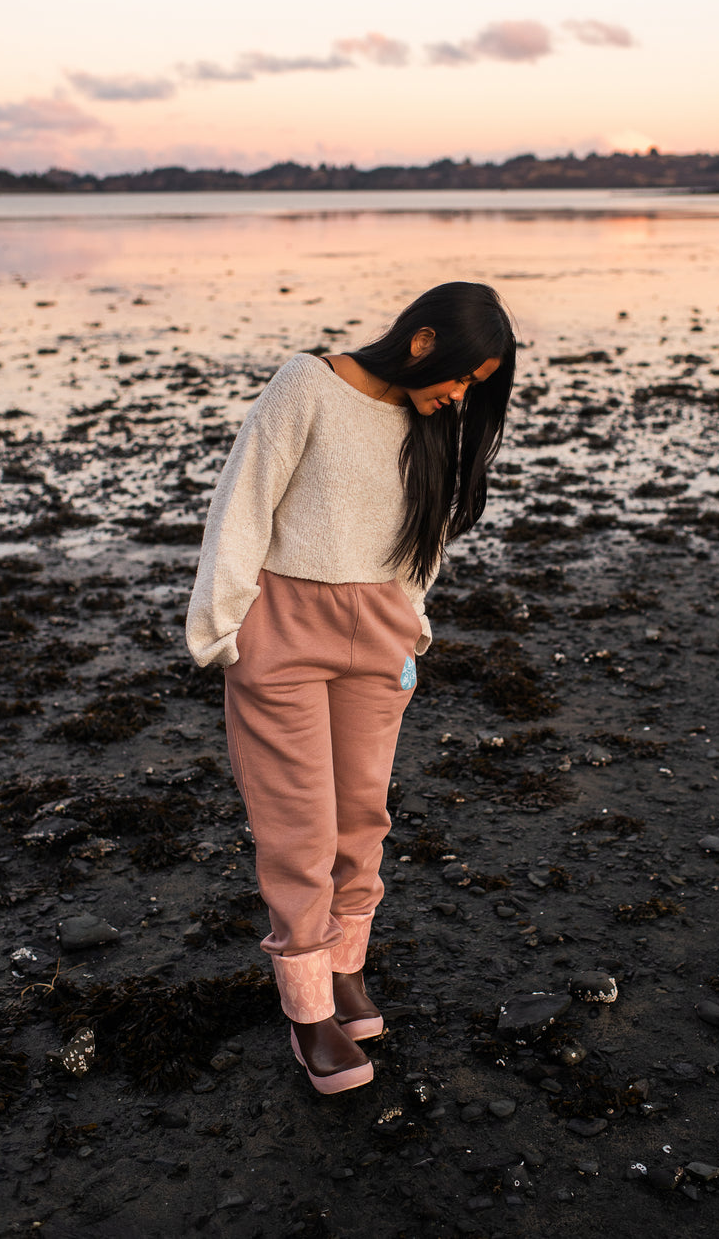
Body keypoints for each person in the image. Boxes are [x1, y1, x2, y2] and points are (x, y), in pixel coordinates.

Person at [186, 281, 516, 1094]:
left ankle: (344, 970)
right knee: (299, 825)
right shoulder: (307, 384)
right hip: (283, 631)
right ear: (420, 339)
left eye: (478, 387)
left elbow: (424, 533)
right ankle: (307, 1011)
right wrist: (221, 627)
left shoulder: (426, 422)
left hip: (381, 636)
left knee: (362, 814)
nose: (460, 395)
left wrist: (414, 620)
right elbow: (244, 499)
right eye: (463, 376)